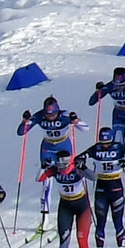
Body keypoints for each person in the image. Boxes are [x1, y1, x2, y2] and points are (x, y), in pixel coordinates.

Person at [17, 97, 83, 231]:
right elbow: (20, 132)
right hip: (47, 150)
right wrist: (25, 121)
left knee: (68, 178)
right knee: (46, 183)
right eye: (48, 115)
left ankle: (77, 209)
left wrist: (76, 121)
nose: (50, 117)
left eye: (53, 114)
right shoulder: (40, 116)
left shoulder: (64, 115)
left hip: (64, 148)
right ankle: (45, 218)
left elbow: (85, 128)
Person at [76, 127, 125, 248]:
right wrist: (81, 164)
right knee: (100, 222)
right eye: (103, 143)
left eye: (107, 143)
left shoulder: (119, 148)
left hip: (116, 186)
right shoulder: (96, 148)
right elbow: (81, 157)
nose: (105, 146)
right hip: (101, 187)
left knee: (117, 221)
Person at [37, 156, 94, 248]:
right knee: (64, 239)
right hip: (65, 206)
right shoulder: (55, 170)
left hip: (82, 206)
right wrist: (43, 167)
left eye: (64, 168)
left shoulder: (76, 168)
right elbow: (39, 179)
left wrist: (83, 167)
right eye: (59, 168)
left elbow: (94, 177)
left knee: (81, 238)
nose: (61, 170)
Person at [89, 66, 125, 166]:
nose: (118, 87)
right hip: (119, 116)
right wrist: (98, 90)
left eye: (121, 85)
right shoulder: (110, 86)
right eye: (116, 85)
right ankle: (119, 167)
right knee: (117, 145)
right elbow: (92, 101)